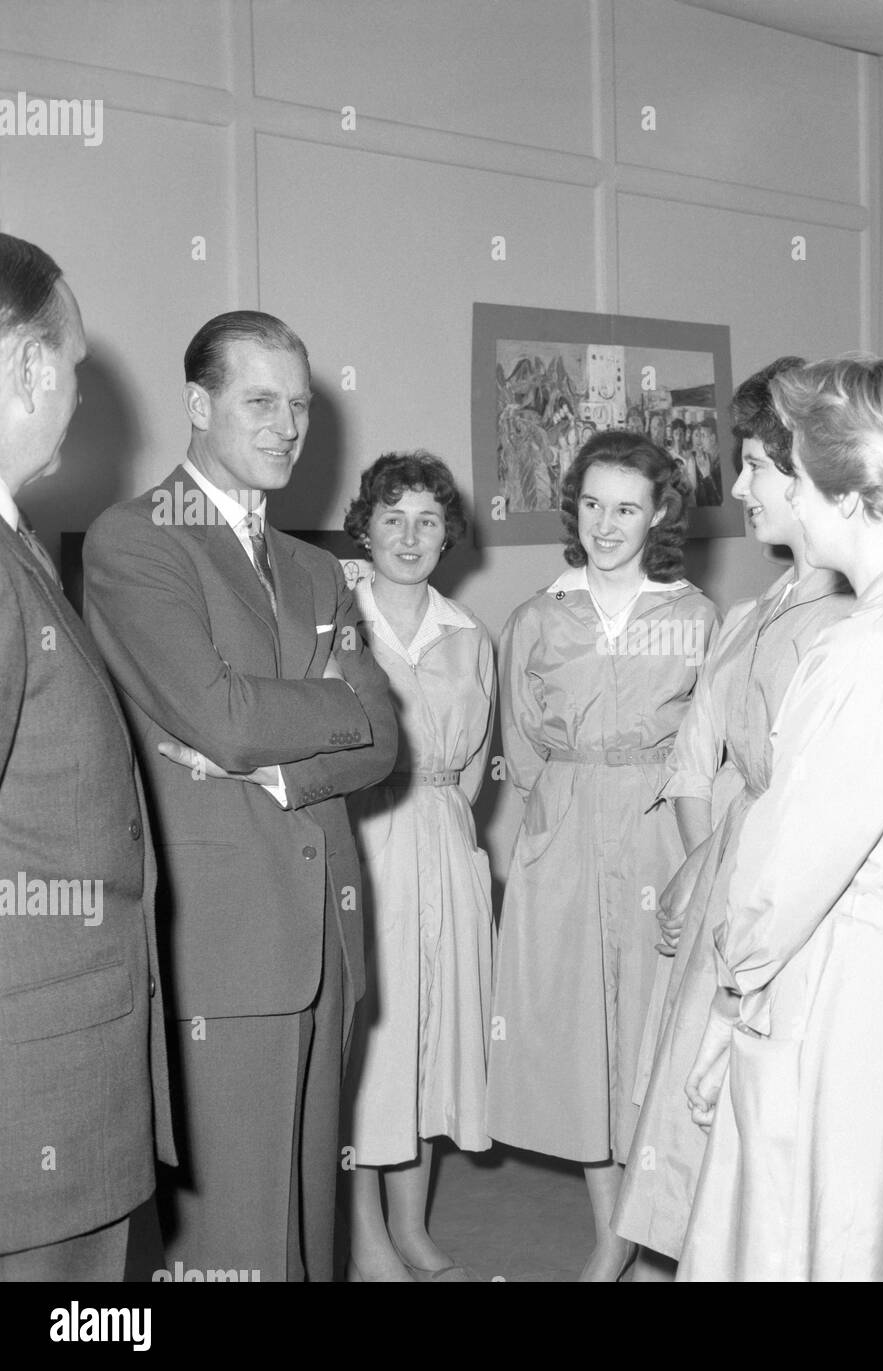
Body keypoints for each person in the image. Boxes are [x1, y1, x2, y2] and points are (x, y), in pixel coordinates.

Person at [678, 356, 883, 1282]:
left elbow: (781, 874)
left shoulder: (869, 649)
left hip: (843, 1001)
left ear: (854, 496)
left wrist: (731, 1000)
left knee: (814, 1237)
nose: (766, 486)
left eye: (790, 467)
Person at [82, 311, 399, 1282]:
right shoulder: (137, 541)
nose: (286, 427)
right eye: (260, 401)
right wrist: (328, 706)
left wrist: (286, 764)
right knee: (235, 1247)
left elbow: (383, 734)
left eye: (299, 406)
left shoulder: (314, 565)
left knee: (308, 1231)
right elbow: (219, 717)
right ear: (198, 405)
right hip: (222, 946)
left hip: (326, 937)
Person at [613, 358, 853, 1275]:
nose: (739, 485)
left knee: (756, 1128)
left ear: (813, 476)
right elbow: (705, 762)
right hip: (729, 871)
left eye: (755, 465)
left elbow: (811, 803)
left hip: (784, 895)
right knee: (688, 1119)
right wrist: (697, 858)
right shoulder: (762, 605)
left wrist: (720, 860)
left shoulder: (847, 624)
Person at [485, 430, 718, 1281]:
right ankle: (611, 1234)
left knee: (657, 1031)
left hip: (660, 827)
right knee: (581, 1036)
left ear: (659, 512)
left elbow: (709, 749)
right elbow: (521, 746)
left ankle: (655, 1227)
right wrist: (547, 839)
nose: (606, 523)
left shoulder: (695, 616)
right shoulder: (538, 617)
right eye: (591, 503)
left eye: (627, 506)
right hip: (568, 828)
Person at [0, 232, 174, 1280]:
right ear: (24, 368)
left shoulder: (18, 544)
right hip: (33, 1085)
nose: (75, 394)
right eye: (68, 369)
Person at [340, 453, 496, 1282]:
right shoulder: (335, 615)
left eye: (428, 520)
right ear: (364, 527)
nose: (409, 535)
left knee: (430, 1037)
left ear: (448, 537)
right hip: (363, 834)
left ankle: (413, 1227)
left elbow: (474, 771)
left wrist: (448, 831)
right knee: (374, 1039)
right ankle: (365, 1236)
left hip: (440, 834)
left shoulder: (470, 635)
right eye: (392, 517)